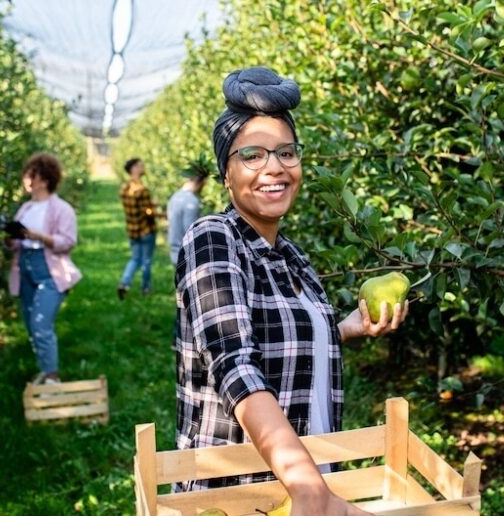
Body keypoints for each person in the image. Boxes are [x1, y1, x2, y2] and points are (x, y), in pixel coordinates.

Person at [174, 67, 409, 513]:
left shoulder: (292, 256)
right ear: (226, 172)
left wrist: (340, 330)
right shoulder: (212, 238)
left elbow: (272, 342)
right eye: (253, 156)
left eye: (286, 152)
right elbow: (234, 364)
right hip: (244, 491)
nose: (274, 168)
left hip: (305, 484)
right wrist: (308, 488)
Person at [6, 152, 82, 385]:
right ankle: (45, 368)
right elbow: (16, 244)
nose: (27, 179)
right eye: (27, 174)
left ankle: (52, 377)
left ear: (45, 180)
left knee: (41, 324)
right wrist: (11, 238)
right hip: (25, 269)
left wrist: (37, 236)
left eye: (32, 175)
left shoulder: (62, 209)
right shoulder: (25, 209)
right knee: (31, 325)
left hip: (50, 271)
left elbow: (68, 242)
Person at [118, 157, 162, 299]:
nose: (143, 168)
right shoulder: (142, 189)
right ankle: (146, 288)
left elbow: (136, 207)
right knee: (146, 260)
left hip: (132, 230)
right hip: (145, 230)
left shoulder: (124, 188)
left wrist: (151, 205)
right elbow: (146, 212)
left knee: (135, 259)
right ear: (133, 169)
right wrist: (162, 214)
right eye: (140, 166)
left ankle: (124, 283)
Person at [166, 155, 209, 265]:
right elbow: (190, 232)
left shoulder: (175, 196)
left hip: (175, 253)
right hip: (187, 257)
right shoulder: (191, 201)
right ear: (200, 181)